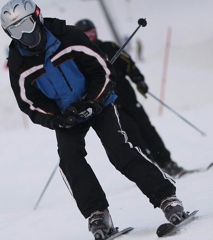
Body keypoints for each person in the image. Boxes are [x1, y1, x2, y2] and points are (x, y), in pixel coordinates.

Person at [0, 1, 189, 239]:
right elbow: (28, 102)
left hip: (98, 104)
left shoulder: (67, 36)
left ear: (37, 18)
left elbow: (102, 70)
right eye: (15, 31)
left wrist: (93, 101)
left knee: (119, 150)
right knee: (69, 160)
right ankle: (97, 213)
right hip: (66, 116)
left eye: (26, 25)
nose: (25, 35)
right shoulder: (19, 61)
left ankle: (166, 198)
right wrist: (58, 119)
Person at [75, 19, 185, 178]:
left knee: (147, 129)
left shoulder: (110, 47)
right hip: (110, 105)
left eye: (92, 32)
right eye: (86, 34)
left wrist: (138, 80)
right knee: (132, 135)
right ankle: (152, 168)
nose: (91, 36)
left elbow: (129, 64)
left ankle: (167, 163)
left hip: (128, 98)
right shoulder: (81, 57)